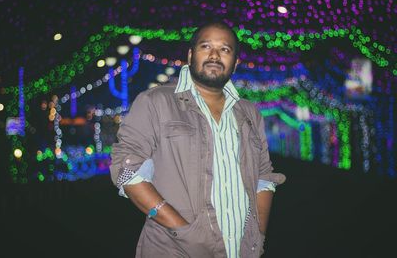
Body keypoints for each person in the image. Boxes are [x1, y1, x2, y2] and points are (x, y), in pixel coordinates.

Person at [109, 21, 286, 258]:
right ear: (191, 55)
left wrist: (258, 235)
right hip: (174, 250)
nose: (214, 55)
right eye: (206, 46)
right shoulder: (156, 102)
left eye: (225, 49)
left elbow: (263, 179)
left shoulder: (249, 113)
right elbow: (126, 171)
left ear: (235, 63)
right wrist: (182, 230)